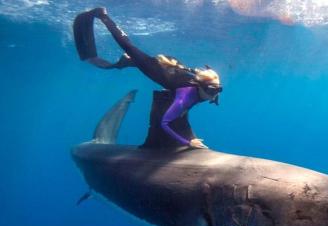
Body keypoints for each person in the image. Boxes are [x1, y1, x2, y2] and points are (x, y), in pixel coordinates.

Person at [73, 7, 222, 149]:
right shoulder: (183, 98)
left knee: (132, 60)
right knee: (129, 47)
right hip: (157, 69)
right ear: (201, 87)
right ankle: (103, 16)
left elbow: (212, 86)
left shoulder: (208, 86)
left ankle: (126, 61)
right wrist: (188, 143)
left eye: (216, 91)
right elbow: (165, 123)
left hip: (174, 67)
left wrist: (213, 96)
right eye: (211, 92)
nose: (214, 94)